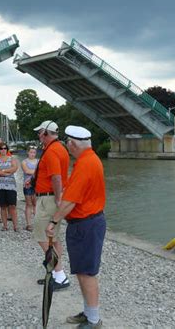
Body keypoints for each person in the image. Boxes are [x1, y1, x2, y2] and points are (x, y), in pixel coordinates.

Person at [46, 126, 106, 329]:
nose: (67, 147)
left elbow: (71, 201)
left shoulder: (85, 164)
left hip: (86, 224)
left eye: (67, 144)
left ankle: (94, 319)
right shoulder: (89, 160)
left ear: (72, 144)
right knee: (82, 271)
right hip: (86, 223)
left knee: (87, 273)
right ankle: (89, 312)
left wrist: (53, 221)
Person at [32, 120, 70, 290]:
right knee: (53, 238)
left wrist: (56, 198)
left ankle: (59, 273)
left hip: (48, 199)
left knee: (41, 235)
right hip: (48, 196)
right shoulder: (58, 148)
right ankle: (55, 274)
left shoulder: (53, 151)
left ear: (46, 133)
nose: (39, 135)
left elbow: (56, 177)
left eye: (40, 132)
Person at [0, 142, 19, 231]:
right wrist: (8, 171)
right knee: (3, 206)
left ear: (7, 149)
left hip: (11, 185)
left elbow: (15, 169)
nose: (3, 150)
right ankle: (5, 226)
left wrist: (3, 170)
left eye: (5, 148)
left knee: (12, 205)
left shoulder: (12, 159)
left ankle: (15, 226)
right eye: (1, 148)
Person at [21, 146, 38, 231]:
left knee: (36, 204)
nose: (32, 154)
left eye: (34, 152)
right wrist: (37, 172)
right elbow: (27, 171)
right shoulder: (24, 162)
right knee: (28, 204)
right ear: (28, 152)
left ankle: (38, 223)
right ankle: (28, 224)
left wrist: (36, 172)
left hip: (37, 185)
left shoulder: (38, 161)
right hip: (27, 185)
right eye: (31, 152)